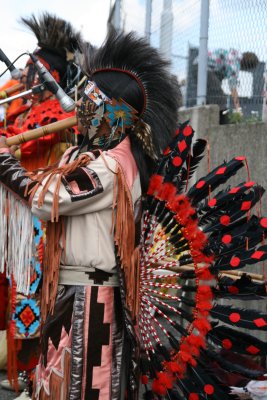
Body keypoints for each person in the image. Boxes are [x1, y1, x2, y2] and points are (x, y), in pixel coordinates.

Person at [0, 29, 180, 399]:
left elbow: (42, 197)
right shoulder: (88, 157)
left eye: (93, 102)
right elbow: (45, 184)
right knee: (58, 382)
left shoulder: (113, 166)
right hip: (69, 291)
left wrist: (3, 161)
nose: (81, 108)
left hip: (93, 298)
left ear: (116, 113)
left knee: (87, 385)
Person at [0, 12, 82, 400]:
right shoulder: (19, 108)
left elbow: (25, 143)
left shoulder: (61, 112)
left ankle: (38, 375)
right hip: (18, 218)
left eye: (32, 70)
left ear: (47, 77)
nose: (23, 76)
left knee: (34, 298)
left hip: (41, 217)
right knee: (19, 295)